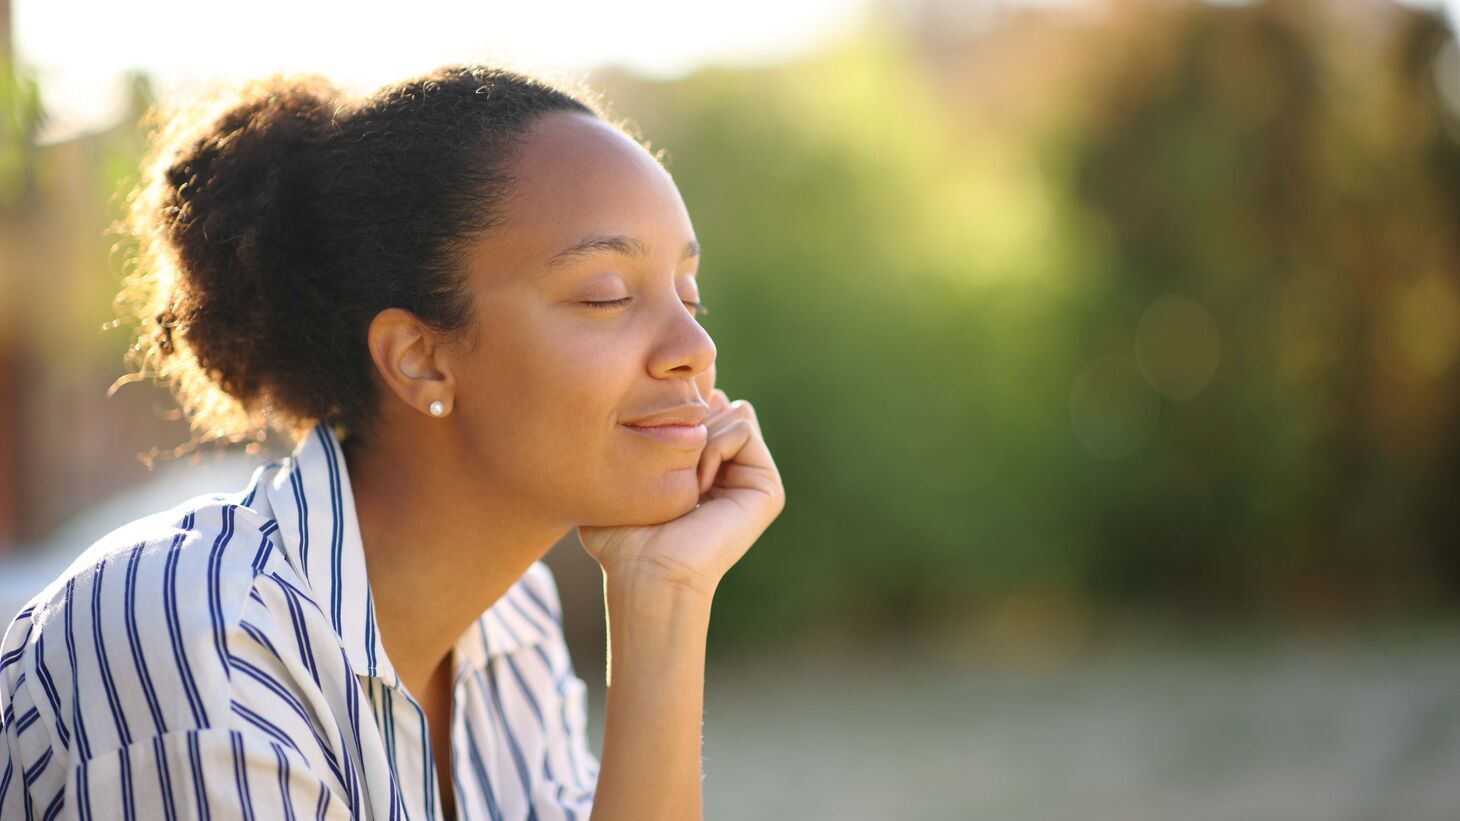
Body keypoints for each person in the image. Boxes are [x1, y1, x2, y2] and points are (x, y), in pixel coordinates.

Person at [0, 63, 786, 820]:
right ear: (419, 358)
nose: (694, 346)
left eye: (688, 294)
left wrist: (664, 595)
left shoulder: (514, 624)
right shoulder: (200, 630)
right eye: (606, 294)